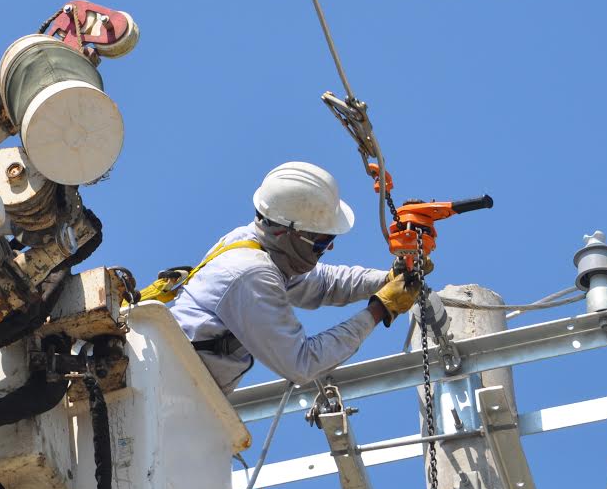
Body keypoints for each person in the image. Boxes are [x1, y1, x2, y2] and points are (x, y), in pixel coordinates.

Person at [170, 161, 423, 395]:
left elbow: (324, 284)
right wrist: (379, 310)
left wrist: (387, 279)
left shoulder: (255, 243)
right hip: (172, 393)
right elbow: (303, 363)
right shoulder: (251, 273)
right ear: (287, 232)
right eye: (323, 241)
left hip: (180, 390)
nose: (329, 248)